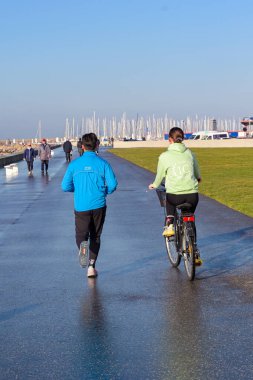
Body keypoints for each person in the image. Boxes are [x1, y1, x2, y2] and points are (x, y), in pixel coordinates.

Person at [61, 133, 118, 278]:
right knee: (96, 236)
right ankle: (91, 267)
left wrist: (78, 189)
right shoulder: (103, 163)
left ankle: (82, 247)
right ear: (97, 145)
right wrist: (104, 191)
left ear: (81, 146)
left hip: (81, 205)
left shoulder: (74, 164)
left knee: (81, 234)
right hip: (99, 204)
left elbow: (65, 186)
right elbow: (113, 184)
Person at [149, 127, 202, 265]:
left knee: (170, 202)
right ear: (182, 139)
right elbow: (196, 172)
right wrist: (198, 178)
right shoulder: (190, 153)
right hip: (192, 196)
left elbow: (160, 175)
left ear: (170, 140)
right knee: (189, 217)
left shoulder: (165, 156)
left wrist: (154, 184)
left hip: (175, 195)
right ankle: (194, 248)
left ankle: (170, 226)